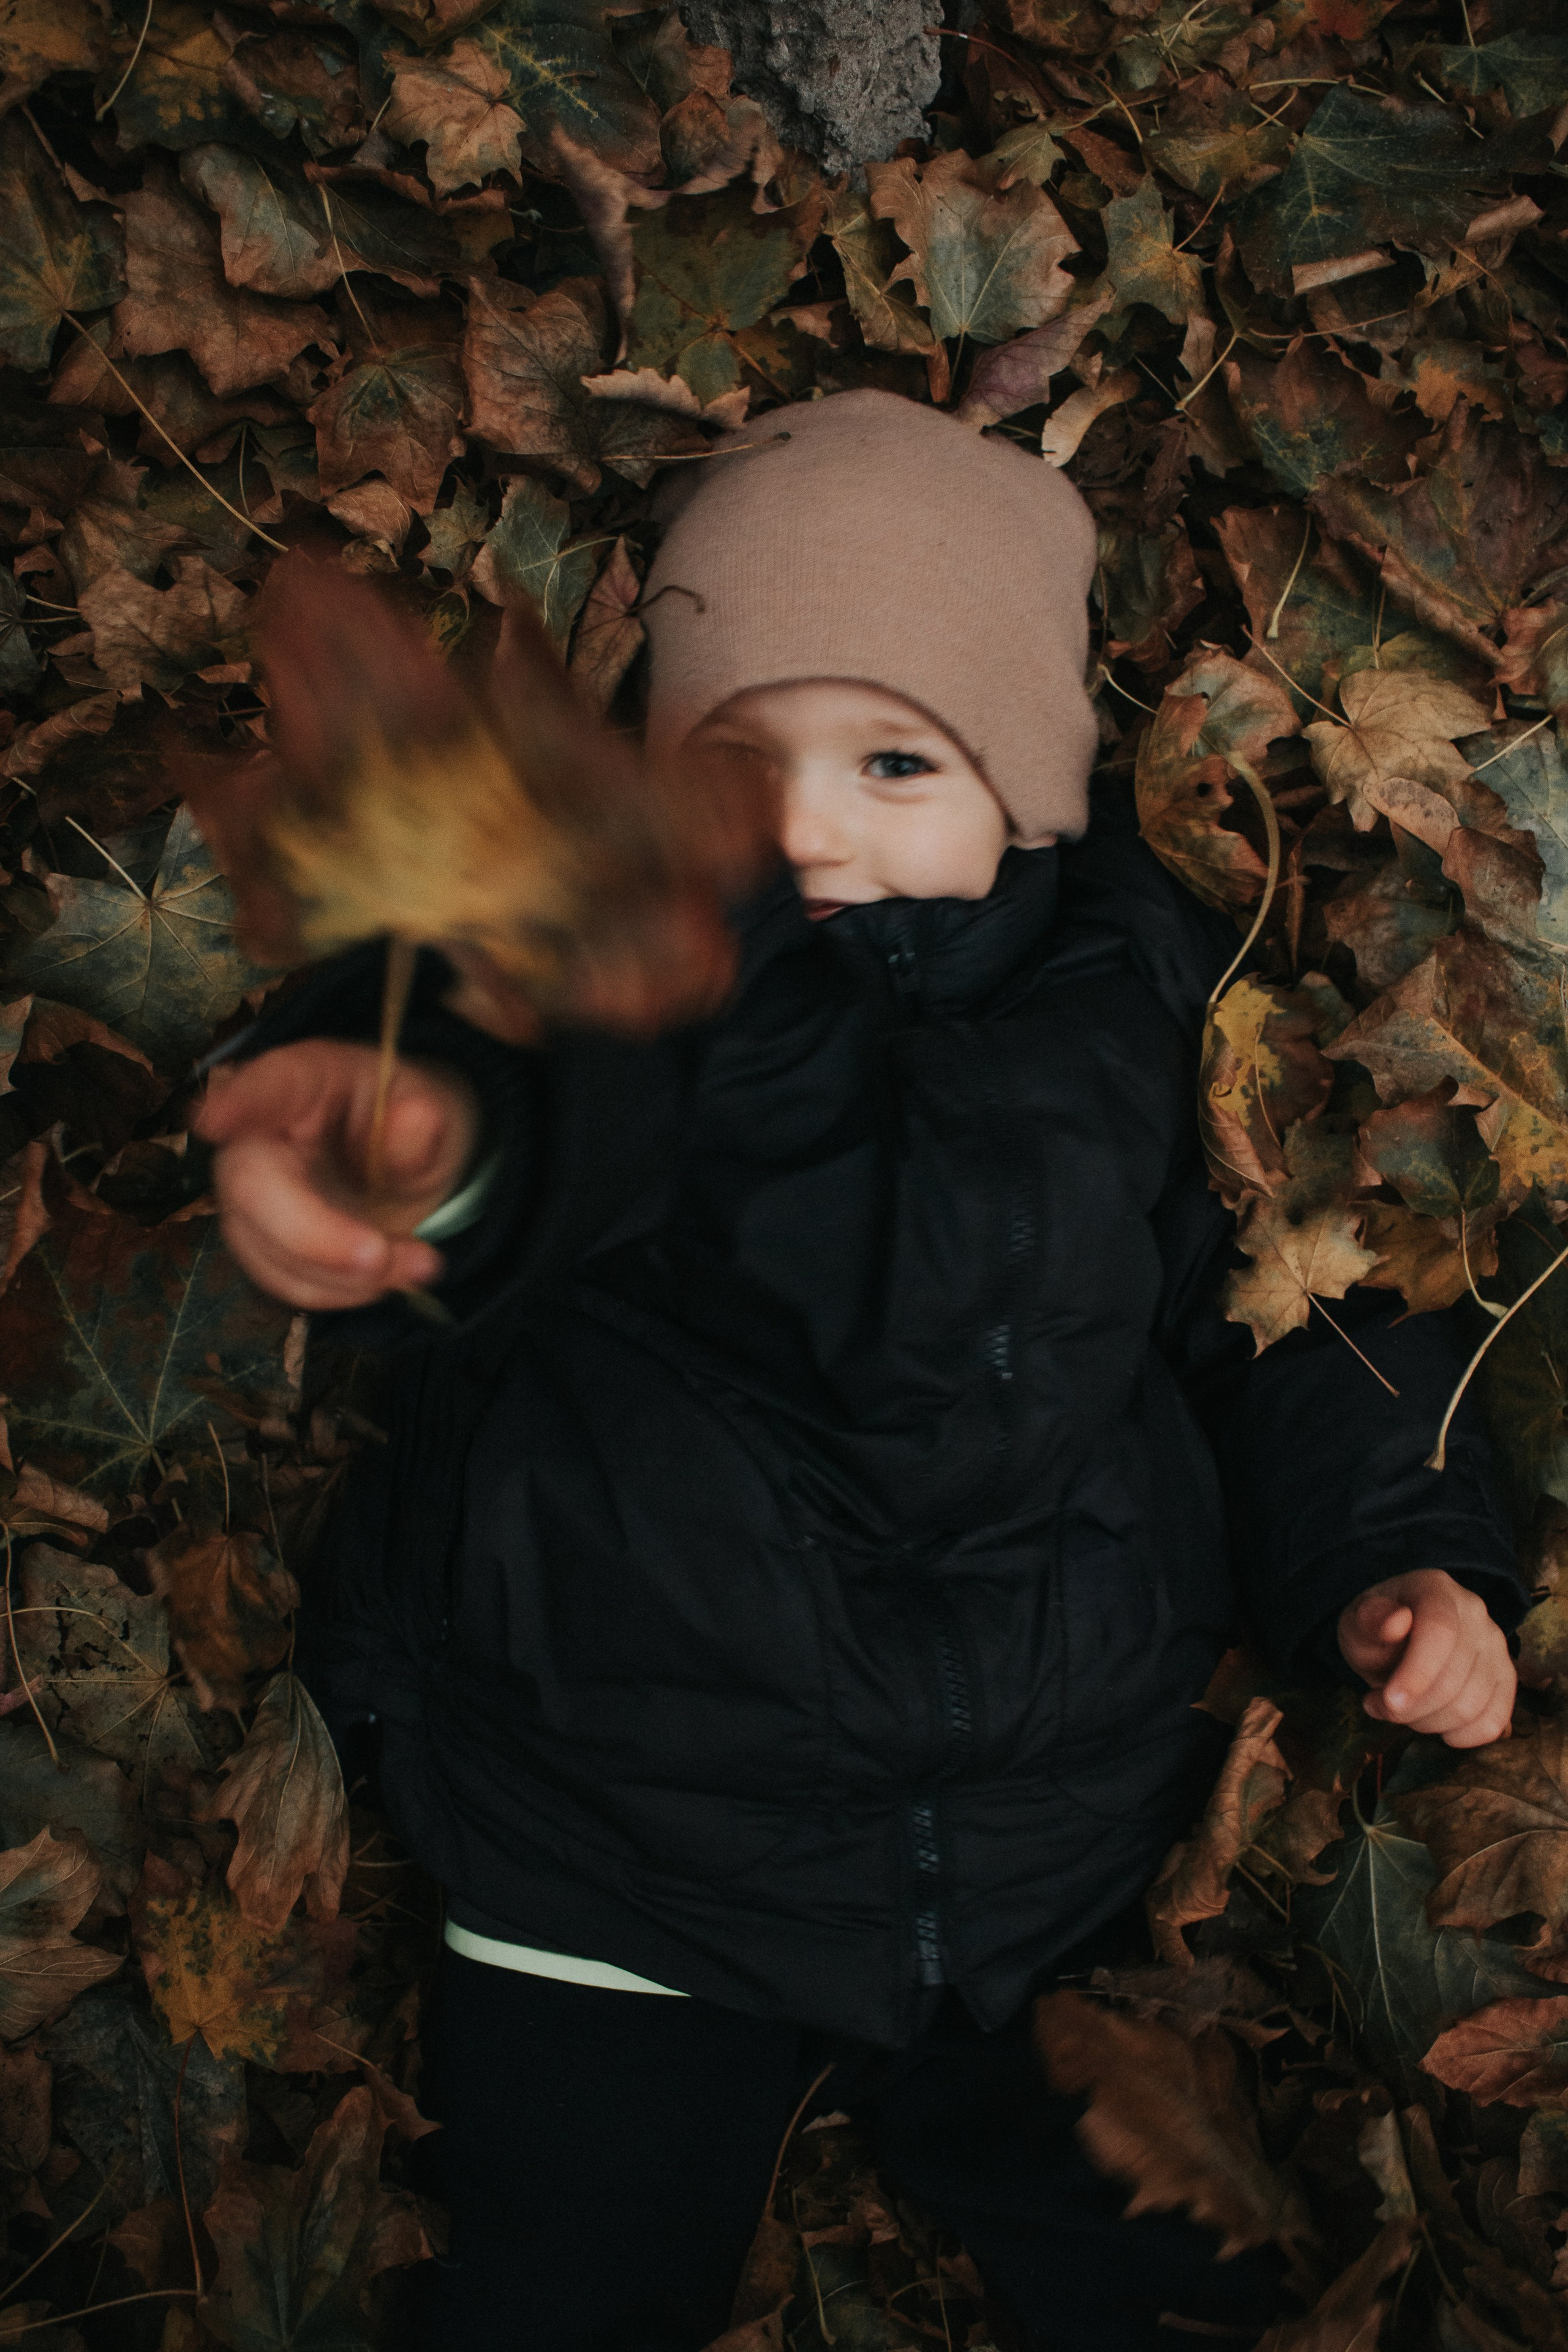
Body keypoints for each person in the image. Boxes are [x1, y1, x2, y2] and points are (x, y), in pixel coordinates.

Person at [200, 391, 1524, 2351]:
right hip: (625, 1834)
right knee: (554, 2287)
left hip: (1043, 1844)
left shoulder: (1138, 1013)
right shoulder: (629, 992)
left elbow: (1294, 1315)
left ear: (1036, 800)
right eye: (738, 770)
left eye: (897, 760)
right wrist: (407, 1150)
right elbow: (500, 1096)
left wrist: (1400, 1549)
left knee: (1184, 2286)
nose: (808, 829)